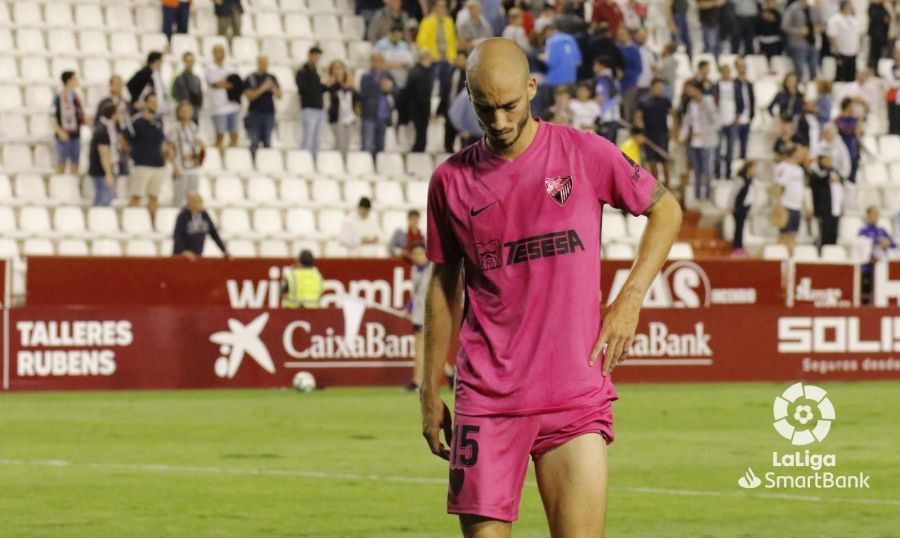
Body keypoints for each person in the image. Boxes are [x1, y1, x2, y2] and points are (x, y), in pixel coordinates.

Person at [421, 38, 682, 537]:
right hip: (487, 400)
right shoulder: (449, 181)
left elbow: (665, 209)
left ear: (532, 88)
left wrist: (630, 297)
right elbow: (443, 286)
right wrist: (429, 390)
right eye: (484, 108)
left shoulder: (584, 153)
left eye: (509, 106)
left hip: (573, 395)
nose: (498, 121)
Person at [126, 93, 167, 217]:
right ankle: (131, 220)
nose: (154, 105)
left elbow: (162, 141)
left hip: (158, 164)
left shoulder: (159, 121)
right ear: (146, 103)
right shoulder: (137, 121)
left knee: (154, 196)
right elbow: (124, 138)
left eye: (156, 102)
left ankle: (153, 222)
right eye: (152, 102)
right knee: (136, 195)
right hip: (142, 163)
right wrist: (133, 153)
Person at [678, 81, 718, 204]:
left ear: (697, 89)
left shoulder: (708, 102)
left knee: (707, 170)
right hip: (694, 143)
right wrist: (681, 137)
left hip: (706, 142)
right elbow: (687, 122)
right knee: (696, 170)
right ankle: (697, 196)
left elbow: (716, 122)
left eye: (691, 89)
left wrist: (701, 131)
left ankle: (707, 196)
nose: (689, 92)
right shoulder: (691, 104)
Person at [635, 78, 673, 186]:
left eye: (661, 88)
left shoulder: (665, 100)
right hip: (649, 134)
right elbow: (637, 118)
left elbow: (673, 115)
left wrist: (674, 130)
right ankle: (656, 185)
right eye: (657, 87)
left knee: (665, 159)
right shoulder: (643, 101)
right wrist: (639, 133)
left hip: (663, 134)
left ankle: (667, 184)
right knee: (652, 161)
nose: (659, 90)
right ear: (651, 87)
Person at [167, 101, 205, 208]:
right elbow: (169, 148)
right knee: (178, 198)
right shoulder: (174, 128)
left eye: (188, 110)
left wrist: (199, 159)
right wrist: (174, 167)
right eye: (183, 111)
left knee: (193, 197)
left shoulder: (194, 127)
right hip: (180, 166)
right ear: (179, 112)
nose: (186, 113)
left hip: (193, 167)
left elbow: (201, 146)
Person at [244, 55, 281, 161]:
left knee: (267, 141)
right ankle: (253, 162)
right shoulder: (251, 77)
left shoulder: (272, 78)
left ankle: (266, 162)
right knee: (254, 141)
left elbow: (279, 95)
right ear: (258, 63)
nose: (264, 65)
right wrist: (262, 89)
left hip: (269, 113)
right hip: (254, 113)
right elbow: (249, 96)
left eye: (266, 63)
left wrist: (273, 89)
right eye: (262, 63)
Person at [406, 242, 432, 392]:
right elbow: (415, 292)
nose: (417, 257)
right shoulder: (414, 270)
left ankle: (418, 380)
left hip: (429, 313)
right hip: (418, 313)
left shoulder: (434, 269)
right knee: (423, 346)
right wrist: (410, 305)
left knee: (423, 346)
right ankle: (449, 372)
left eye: (420, 253)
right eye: (414, 254)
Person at [173, 192, 228, 258]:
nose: (196, 204)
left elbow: (214, 233)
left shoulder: (204, 215)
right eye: (193, 201)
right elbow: (177, 235)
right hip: (182, 256)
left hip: (198, 255)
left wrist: (224, 250)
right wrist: (184, 251)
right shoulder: (183, 216)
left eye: (198, 201)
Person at [206, 45, 241, 150]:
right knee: (220, 135)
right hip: (218, 108)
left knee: (234, 134)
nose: (220, 54)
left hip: (232, 106)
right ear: (213, 54)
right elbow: (215, 84)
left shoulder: (230, 68)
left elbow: (237, 83)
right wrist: (228, 83)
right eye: (218, 52)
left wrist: (226, 83)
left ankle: (233, 157)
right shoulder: (210, 68)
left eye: (222, 52)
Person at [359, 53, 395, 156]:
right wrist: (380, 86)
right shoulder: (366, 76)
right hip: (369, 114)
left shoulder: (388, 76)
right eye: (375, 60)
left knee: (380, 145)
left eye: (380, 61)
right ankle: (366, 166)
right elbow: (364, 93)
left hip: (383, 115)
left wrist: (390, 88)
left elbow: (396, 91)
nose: (378, 63)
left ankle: (377, 167)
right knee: (367, 145)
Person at [772, 144, 806, 252]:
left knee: (793, 235)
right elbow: (778, 186)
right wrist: (778, 205)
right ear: (793, 153)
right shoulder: (783, 167)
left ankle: (790, 260)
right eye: (800, 152)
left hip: (797, 206)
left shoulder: (800, 170)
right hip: (786, 205)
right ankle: (778, 258)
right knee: (784, 235)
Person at [859, 206, 896, 301]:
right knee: (867, 291)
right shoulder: (863, 231)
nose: (876, 216)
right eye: (873, 213)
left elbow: (893, 244)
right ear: (867, 215)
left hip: (882, 266)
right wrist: (877, 241)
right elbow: (861, 244)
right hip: (867, 268)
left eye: (877, 214)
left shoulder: (882, 230)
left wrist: (887, 242)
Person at [88, 100, 119, 207]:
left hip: (102, 170)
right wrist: (108, 173)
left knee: (104, 197)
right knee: (103, 199)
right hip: (101, 171)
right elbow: (104, 153)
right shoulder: (102, 130)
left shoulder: (107, 127)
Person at [782, 0, 822, 82]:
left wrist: (818, 28)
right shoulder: (793, 8)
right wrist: (798, 31)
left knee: (814, 69)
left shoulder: (813, 9)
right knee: (800, 70)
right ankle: (799, 89)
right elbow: (784, 26)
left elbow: (821, 24)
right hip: (798, 44)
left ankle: (812, 89)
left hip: (812, 43)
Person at [53, 71, 85, 175]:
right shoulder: (58, 97)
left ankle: (73, 187)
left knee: (75, 161)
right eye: (74, 78)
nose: (76, 81)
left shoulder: (76, 97)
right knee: (62, 161)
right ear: (69, 80)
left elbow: (80, 114)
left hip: (75, 134)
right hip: (63, 134)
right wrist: (59, 131)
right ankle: (60, 185)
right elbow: (52, 116)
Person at [296, 46, 326, 157]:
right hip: (308, 108)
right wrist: (319, 86)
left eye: (319, 57)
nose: (317, 59)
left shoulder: (317, 72)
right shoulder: (302, 72)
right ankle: (303, 160)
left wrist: (325, 86)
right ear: (310, 55)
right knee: (308, 137)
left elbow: (319, 90)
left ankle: (313, 160)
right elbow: (303, 89)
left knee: (317, 138)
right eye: (316, 56)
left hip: (319, 108)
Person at [325, 60, 360, 157]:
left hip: (349, 118)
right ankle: (337, 164)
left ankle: (344, 164)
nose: (338, 71)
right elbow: (332, 96)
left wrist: (351, 84)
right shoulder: (331, 85)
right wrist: (336, 81)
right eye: (335, 69)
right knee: (339, 144)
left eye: (339, 68)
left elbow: (357, 99)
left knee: (346, 145)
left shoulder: (350, 85)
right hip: (337, 119)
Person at [809, 153, 843, 248]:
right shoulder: (816, 172)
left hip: (835, 209)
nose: (829, 162)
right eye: (826, 159)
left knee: (833, 234)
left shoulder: (834, 171)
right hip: (823, 209)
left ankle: (832, 252)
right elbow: (816, 183)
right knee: (824, 235)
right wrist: (828, 178)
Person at [438, 50, 469, 153]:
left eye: (462, 60)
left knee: (465, 144)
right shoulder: (450, 72)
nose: (460, 62)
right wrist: (440, 110)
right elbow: (445, 92)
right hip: (449, 112)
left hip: (464, 115)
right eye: (458, 59)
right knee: (448, 142)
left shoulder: (470, 75)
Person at [406, 51, 435, 153]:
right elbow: (422, 95)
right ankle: (418, 153)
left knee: (420, 134)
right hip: (420, 110)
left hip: (415, 108)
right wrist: (427, 111)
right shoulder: (421, 73)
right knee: (421, 135)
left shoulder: (414, 71)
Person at [416, 0, 458, 70]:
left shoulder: (449, 22)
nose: (441, 9)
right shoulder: (427, 21)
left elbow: (453, 42)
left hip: (448, 59)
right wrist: (429, 55)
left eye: (443, 7)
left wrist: (453, 57)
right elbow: (421, 42)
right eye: (439, 6)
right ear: (434, 7)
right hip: (433, 60)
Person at [714, 64, 738, 180]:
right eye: (724, 71)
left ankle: (728, 173)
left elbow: (740, 101)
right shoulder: (716, 85)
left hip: (731, 122)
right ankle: (717, 173)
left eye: (728, 71)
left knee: (730, 150)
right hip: (719, 123)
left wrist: (737, 115)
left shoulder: (735, 85)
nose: (726, 73)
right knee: (717, 150)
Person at [827, 0, 861, 82]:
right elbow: (832, 35)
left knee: (851, 77)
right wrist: (836, 51)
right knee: (840, 77)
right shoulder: (835, 19)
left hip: (852, 52)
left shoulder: (853, 19)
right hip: (841, 52)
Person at [729, 160, 757, 255]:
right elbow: (733, 194)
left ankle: (740, 246)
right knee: (738, 228)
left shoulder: (750, 180)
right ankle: (736, 247)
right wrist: (730, 206)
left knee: (742, 228)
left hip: (745, 207)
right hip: (738, 207)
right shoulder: (740, 180)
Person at [128, 52, 169, 117]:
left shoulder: (156, 73)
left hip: (155, 105)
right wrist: (135, 100)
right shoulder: (144, 72)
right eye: (160, 61)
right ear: (155, 61)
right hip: (144, 106)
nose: (161, 63)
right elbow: (130, 84)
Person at [833, 97, 862, 183]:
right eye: (852, 105)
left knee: (852, 180)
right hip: (843, 151)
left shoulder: (855, 119)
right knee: (843, 178)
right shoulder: (838, 120)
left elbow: (859, 132)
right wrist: (854, 128)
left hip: (854, 151)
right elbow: (844, 130)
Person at [594, 56, 621, 143]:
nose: (593, 67)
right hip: (615, 117)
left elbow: (600, 98)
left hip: (606, 117)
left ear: (601, 66)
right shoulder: (615, 80)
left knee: (604, 146)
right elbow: (619, 99)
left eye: (595, 65)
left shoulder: (602, 80)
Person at [172, 52, 203, 123]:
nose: (190, 63)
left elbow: (200, 94)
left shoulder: (196, 78)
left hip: (195, 111)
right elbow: (174, 93)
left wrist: (198, 106)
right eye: (188, 61)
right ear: (184, 62)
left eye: (191, 61)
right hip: (184, 113)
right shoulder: (179, 78)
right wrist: (183, 104)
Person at [734, 58, 755, 160]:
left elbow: (752, 99)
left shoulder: (749, 84)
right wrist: (735, 114)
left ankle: (743, 159)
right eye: (740, 66)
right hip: (737, 116)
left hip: (747, 116)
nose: (743, 68)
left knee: (745, 142)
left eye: (744, 66)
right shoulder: (733, 83)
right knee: (734, 142)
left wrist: (752, 114)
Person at [867, 0, 891, 71]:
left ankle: (875, 68)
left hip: (882, 34)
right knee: (872, 52)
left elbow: (888, 18)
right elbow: (874, 17)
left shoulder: (884, 7)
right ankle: (870, 66)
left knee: (878, 52)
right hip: (874, 34)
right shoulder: (872, 7)